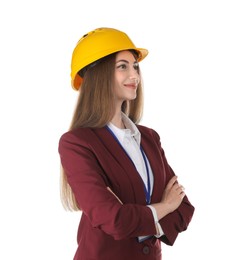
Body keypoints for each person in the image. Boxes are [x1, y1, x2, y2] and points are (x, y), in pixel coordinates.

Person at [58, 27, 195, 260]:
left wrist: (142, 218)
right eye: (122, 66)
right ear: (98, 74)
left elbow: (183, 208)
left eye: (135, 66)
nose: (135, 76)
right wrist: (163, 207)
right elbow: (113, 219)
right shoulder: (77, 144)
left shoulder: (150, 138)